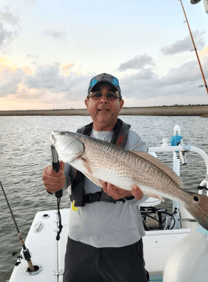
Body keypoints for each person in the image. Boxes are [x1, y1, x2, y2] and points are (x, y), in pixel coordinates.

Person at [42, 73, 149, 282]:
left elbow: (146, 194)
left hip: (124, 243)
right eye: (96, 94)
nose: (103, 100)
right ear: (87, 102)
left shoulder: (135, 143)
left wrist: (130, 192)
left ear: (121, 103)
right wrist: (53, 181)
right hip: (79, 242)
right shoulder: (73, 140)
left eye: (111, 95)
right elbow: (61, 184)